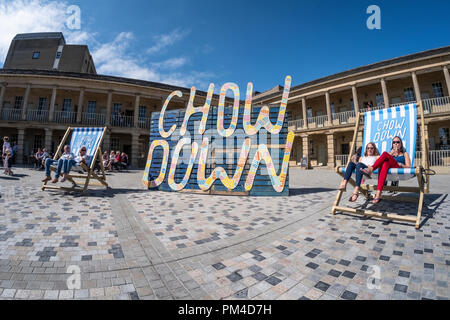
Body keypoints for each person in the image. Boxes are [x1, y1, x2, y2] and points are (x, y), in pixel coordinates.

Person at [362, 136, 411, 204]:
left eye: (397, 142)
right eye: (394, 142)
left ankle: (371, 169)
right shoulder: (390, 153)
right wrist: (391, 153)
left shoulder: (405, 154)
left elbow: (409, 167)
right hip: (389, 171)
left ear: (401, 144)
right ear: (392, 144)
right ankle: (378, 193)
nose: (396, 144)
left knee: (385, 153)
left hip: (399, 169)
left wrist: (401, 164)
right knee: (385, 163)